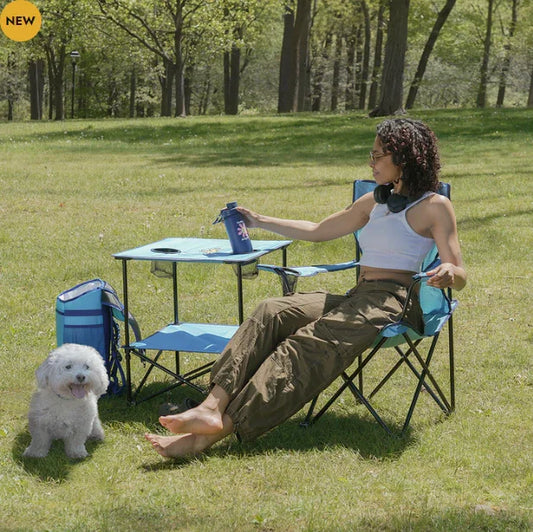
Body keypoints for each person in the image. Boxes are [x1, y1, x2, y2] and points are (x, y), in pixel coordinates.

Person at [145, 118, 467, 458]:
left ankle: (208, 436)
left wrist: (448, 272)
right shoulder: (374, 202)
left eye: (377, 156)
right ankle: (211, 406)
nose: (371, 163)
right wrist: (259, 220)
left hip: (393, 303)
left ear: (402, 158)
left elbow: (460, 272)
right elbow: (316, 230)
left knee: (306, 342)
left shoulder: (434, 206)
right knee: (272, 311)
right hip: (359, 297)